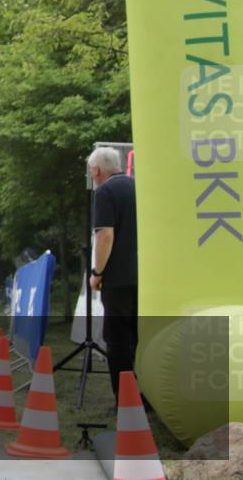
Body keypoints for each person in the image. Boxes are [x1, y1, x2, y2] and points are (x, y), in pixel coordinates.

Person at [88, 145, 138, 401]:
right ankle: (145, 397)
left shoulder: (106, 191)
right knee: (138, 340)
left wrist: (97, 272)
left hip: (117, 279)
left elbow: (105, 234)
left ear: (96, 170)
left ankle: (125, 400)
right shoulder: (139, 187)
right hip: (145, 277)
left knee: (118, 342)